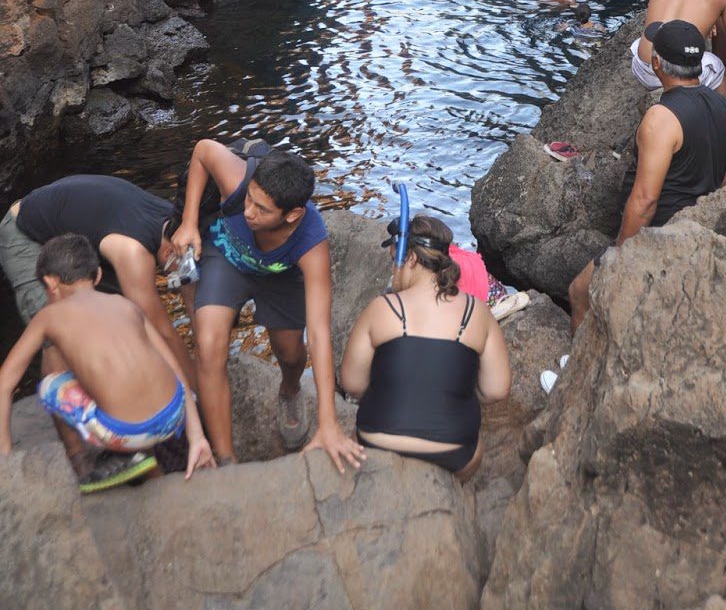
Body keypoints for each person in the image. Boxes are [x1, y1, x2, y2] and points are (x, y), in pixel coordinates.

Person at [170, 140, 362, 472]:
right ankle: (226, 459)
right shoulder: (239, 177)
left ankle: (289, 390)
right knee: (208, 343)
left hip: (279, 277)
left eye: (262, 209)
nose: (248, 212)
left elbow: (318, 333)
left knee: (289, 352)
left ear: (293, 214)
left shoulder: (311, 242)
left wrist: (328, 423)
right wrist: (188, 222)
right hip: (226, 258)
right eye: (249, 200)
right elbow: (201, 149)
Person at [0, 234, 213, 493]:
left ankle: (83, 464)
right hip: (173, 417)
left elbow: (5, 382)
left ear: (50, 283)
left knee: (49, 376)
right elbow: (176, 369)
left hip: (127, 433)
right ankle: (149, 468)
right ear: (98, 275)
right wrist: (198, 436)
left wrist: (6, 459)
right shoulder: (124, 304)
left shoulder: (48, 316)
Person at [568, 22, 726, 330]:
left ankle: (576, 372)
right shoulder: (722, 105)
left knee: (579, 293)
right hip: (695, 227)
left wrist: (623, 251)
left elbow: (646, 200)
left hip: (656, 233)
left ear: (657, 63)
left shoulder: (661, 118)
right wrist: (700, 203)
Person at [339, 212, 511, 480]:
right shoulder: (477, 312)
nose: (393, 271)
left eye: (394, 262)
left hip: (376, 441)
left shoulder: (380, 308)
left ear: (411, 259)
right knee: (477, 451)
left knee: (353, 434)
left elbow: (351, 383)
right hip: (452, 451)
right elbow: (497, 390)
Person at [0, 174, 196, 383]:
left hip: (74, 233)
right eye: (186, 267)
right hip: (26, 234)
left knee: (121, 314)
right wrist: (197, 393)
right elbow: (162, 331)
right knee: (59, 335)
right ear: (168, 252)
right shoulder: (132, 252)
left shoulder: (176, 223)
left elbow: (192, 299)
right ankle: (63, 410)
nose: (186, 272)